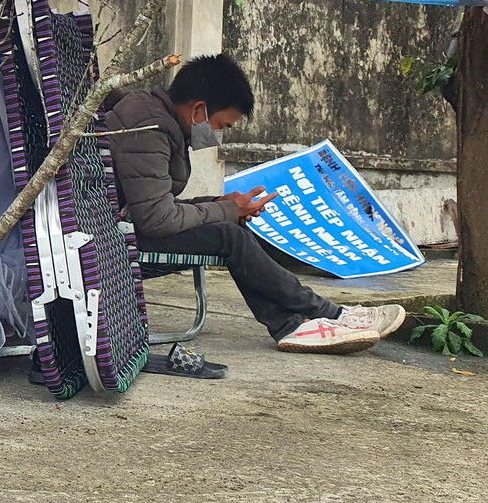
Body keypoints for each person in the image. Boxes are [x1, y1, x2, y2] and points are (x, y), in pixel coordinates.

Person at [105, 54, 406, 354]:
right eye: (222, 124)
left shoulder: (156, 118)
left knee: (227, 227)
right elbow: (156, 218)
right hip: (113, 242)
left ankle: (294, 324)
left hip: (125, 227)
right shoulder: (149, 129)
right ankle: (326, 314)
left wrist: (220, 204)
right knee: (229, 236)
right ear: (199, 110)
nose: (219, 135)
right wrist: (226, 210)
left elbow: (152, 202)